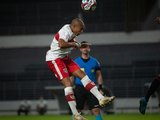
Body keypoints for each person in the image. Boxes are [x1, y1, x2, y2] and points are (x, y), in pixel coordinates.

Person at [46, 18, 115, 120]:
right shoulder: (65, 31)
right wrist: (74, 44)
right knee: (68, 84)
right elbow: (61, 44)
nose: (81, 31)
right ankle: (76, 115)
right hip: (55, 59)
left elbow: (70, 44)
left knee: (83, 75)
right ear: (74, 26)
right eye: (80, 29)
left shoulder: (72, 33)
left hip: (64, 58)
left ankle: (101, 98)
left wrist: (76, 44)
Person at [72, 41, 111, 120]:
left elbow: (99, 75)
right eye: (83, 47)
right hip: (79, 88)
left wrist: (100, 88)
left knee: (96, 109)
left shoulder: (95, 62)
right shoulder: (75, 62)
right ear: (80, 49)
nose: (85, 49)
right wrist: (70, 88)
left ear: (89, 49)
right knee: (77, 111)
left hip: (91, 88)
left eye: (86, 47)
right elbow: (72, 76)